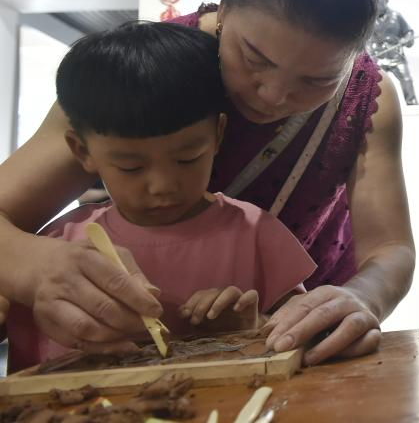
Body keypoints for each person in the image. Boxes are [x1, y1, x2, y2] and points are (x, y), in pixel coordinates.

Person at [0, 0, 414, 366]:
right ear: (227, 0)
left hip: (294, 332)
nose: (273, 96)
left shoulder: (368, 99)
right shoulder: (137, 72)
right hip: (130, 338)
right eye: (254, 59)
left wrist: (361, 296)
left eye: (316, 81)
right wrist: (33, 265)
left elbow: (390, 249)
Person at [3, 22, 315, 371]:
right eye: (131, 167)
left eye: (187, 159)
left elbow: (300, 333)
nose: (163, 186)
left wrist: (251, 328)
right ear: (82, 151)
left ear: (218, 134)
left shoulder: (255, 233)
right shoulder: (58, 245)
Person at [368, 0, 419, 105]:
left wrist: (406, 39)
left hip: (396, 56)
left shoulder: (396, 16)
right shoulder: (369, 18)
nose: (378, 5)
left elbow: (409, 32)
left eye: (380, 2)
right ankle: (371, 107)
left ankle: (412, 102)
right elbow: (364, 39)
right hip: (378, 57)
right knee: (372, 82)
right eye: (376, 3)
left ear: (386, 2)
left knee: (406, 79)